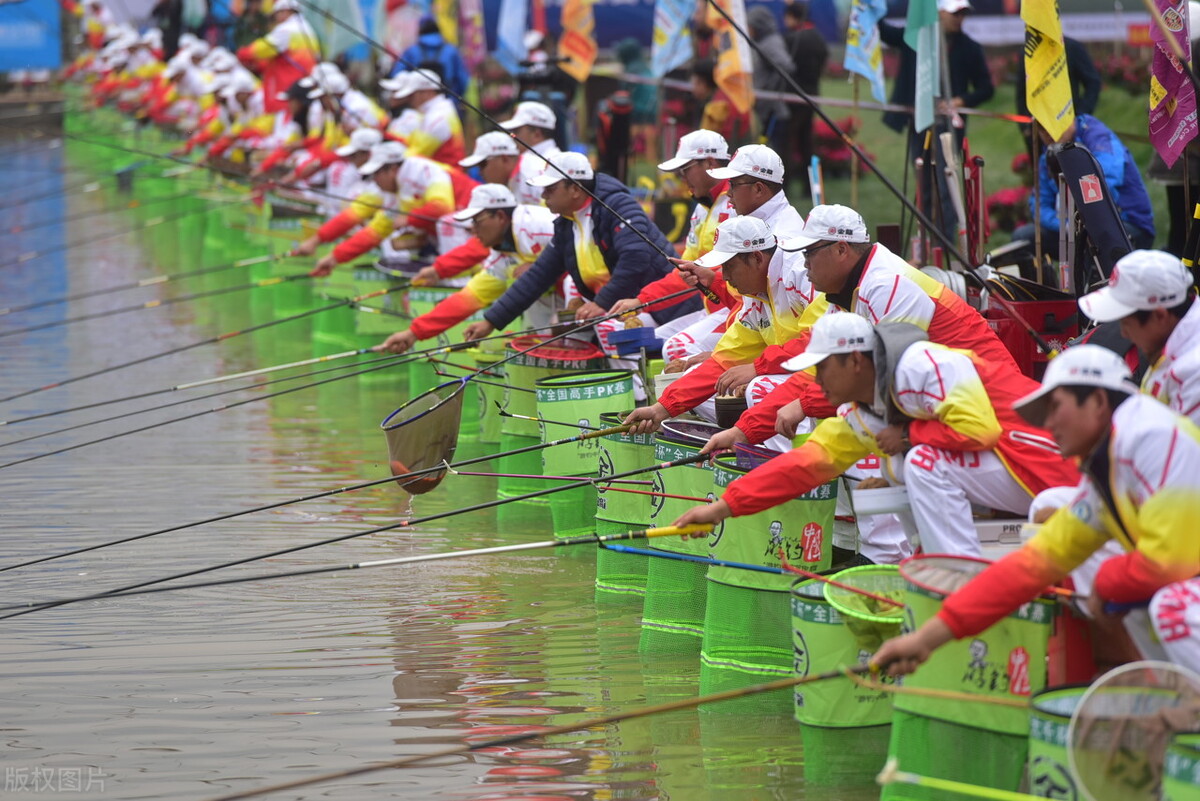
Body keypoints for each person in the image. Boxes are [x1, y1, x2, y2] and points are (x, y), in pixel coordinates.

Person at [872, 345, 1200, 677]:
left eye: (1055, 408)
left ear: (1099, 402)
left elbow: (1171, 563)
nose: (1048, 424)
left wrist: (1105, 583)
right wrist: (925, 640)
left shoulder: (1149, 436)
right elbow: (1030, 567)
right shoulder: (1109, 466)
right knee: (1145, 600)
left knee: (1170, 607)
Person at [672, 313, 1078, 557]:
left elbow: (979, 429)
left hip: (1051, 465)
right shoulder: (865, 407)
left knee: (918, 461)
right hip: (1012, 472)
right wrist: (723, 507)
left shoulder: (921, 366)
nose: (815, 380)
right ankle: (927, 558)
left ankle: (953, 572)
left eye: (822, 368)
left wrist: (908, 435)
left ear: (855, 361)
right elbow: (803, 466)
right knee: (897, 467)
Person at [703, 204, 1030, 454]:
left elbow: (879, 377)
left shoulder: (884, 284)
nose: (803, 264)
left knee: (857, 416)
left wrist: (802, 406)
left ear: (841, 250)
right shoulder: (846, 292)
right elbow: (816, 373)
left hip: (993, 410)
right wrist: (743, 432)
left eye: (809, 253)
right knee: (853, 417)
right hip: (953, 404)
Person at [461, 151, 701, 345]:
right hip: (624, 306)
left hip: (665, 308)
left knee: (606, 325)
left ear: (575, 189)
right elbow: (538, 276)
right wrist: (490, 322)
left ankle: (634, 390)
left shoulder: (618, 206)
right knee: (579, 323)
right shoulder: (567, 223)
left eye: (550, 189)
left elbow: (635, 258)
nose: (543, 195)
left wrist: (601, 303)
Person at [622, 215, 824, 433]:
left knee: (759, 387)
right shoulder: (755, 293)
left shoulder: (799, 274)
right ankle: (744, 439)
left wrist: (757, 368)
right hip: (802, 374)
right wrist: (661, 409)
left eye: (728, 266)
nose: (724, 276)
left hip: (827, 374)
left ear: (756, 258)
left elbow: (819, 342)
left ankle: (769, 448)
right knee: (712, 378)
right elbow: (724, 361)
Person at [375, 184, 559, 354]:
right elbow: (467, 299)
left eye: (477, 221)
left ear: (500, 216)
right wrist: (413, 333)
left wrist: (543, 267)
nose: (473, 229)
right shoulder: (500, 256)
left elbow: (574, 253)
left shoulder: (540, 225)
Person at [878, 0, 993, 238]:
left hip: (948, 127)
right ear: (939, 12)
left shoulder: (970, 47)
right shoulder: (916, 37)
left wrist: (959, 101)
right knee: (923, 183)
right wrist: (867, 8)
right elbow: (885, 32)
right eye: (955, 13)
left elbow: (986, 88)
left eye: (963, 14)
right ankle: (924, 238)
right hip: (919, 123)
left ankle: (945, 241)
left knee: (946, 184)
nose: (959, 19)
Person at [1078, 249, 1200, 424]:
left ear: (1160, 316)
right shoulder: (1171, 343)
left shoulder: (1193, 373)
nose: (1123, 333)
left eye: (1126, 323)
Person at [1011, 116, 1155, 251]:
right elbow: (1039, 205)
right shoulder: (1047, 156)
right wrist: (1066, 226)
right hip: (1075, 227)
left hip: (1125, 224)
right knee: (1023, 237)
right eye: (1041, 127)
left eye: (1052, 123)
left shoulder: (1098, 138)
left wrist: (1077, 227)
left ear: (1068, 117)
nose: (1048, 132)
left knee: (1092, 239)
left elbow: (1102, 189)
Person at [235, 0, 319, 113]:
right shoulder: (308, 29)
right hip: (302, 85)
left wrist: (242, 53)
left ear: (285, 11)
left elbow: (264, 48)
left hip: (287, 86)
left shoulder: (286, 29)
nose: (275, 19)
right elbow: (283, 58)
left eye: (276, 14)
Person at [783, 1, 828, 198]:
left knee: (787, 143)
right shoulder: (818, 36)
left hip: (793, 97)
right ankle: (810, 188)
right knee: (806, 144)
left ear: (792, 16)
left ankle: (784, 186)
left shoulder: (792, 39)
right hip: (812, 95)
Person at [746, 6, 796, 160]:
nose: (748, 30)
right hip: (764, 108)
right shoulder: (762, 42)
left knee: (772, 155)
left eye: (750, 26)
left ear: (758, 26)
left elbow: (786, 66)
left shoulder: (770, 43)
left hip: (772, 111)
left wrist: (770, 89)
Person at [392, 68, 466, 167]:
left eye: (412, 95)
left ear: (427, 92)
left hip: (448, 173)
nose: (408, 100)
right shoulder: (435, 110)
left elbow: (416, 153)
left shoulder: (439, 116)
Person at [393, 14, 469, 101]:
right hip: (447, 101)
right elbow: (463, 80)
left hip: (418, 103)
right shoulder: (452, 51)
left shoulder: (411, 51)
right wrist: (454, 100)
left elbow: (397, 77)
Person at [501, 101, 562, 206]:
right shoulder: (558, 158)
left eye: (516, 131)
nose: (512, 136)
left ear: (536, 134)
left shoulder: (531, 163)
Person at [691, 59, 752, 145]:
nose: (693, 89)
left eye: (695, 83)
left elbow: (703, 140)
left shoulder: (716, 106)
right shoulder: (727, 95)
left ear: (703, 83)